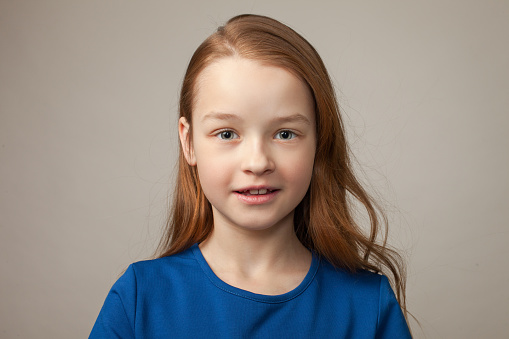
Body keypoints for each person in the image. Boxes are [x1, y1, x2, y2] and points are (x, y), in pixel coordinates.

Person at [90, 14, 412, 338]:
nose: (258, 163)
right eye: (227, 134)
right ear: (188, 142)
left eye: (285, 134)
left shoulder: (369, 305)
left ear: (319, 141)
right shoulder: (138, 299)